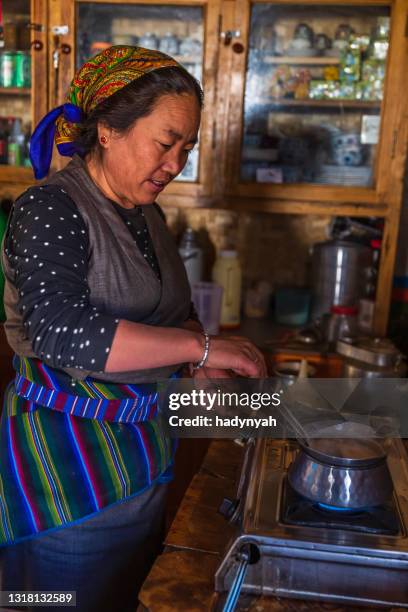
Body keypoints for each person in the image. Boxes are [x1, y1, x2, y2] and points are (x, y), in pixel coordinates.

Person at [0, 45, 266, 611]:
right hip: (65, 476)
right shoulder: (50, 207)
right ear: (109, 131)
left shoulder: (147, 211)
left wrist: (199, 362)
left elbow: (170, 313)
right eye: (165, 142)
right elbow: (61, 331)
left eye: (187, 147)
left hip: (142, 460)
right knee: (52, 602)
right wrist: (204, 345)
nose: (175, 163)